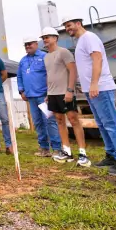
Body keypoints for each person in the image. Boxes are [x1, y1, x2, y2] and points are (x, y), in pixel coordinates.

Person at [63, 15, 116, 176]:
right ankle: (111, 155)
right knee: (103, 124)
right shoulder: (81, 40)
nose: (68, 29)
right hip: (92, 89)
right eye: (65, 26)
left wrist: (94, 83)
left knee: (111, 123)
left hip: (101, 87)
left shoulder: (89, 37)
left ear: (78, 23)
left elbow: (97, 59)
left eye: (69, 25)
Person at [40, 27, 91, 167]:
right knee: (59, 120)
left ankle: (82, 154)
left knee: (74, 120)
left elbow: (73, 70)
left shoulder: (64, 52)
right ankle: (67, 151)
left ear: (55, 38)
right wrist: (48, 94)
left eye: (48, 36)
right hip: (52, 94)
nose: (45, 39)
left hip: (65, 92)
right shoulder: (46, 56)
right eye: (43, 37)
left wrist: (70, 90)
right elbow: (50, 75)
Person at [17, 37, 61, 157]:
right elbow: (20, 76)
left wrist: (49, 92)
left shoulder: (45, 57)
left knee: (50, 121)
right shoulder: (23, 61)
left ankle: (57, 148)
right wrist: (21, 91)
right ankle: (44, 149)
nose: (27, 46)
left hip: (44, 97)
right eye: (25, 45)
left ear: (36, 44)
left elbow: (51, 74)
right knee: (38, 122)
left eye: (29, 44)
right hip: (31, 97)